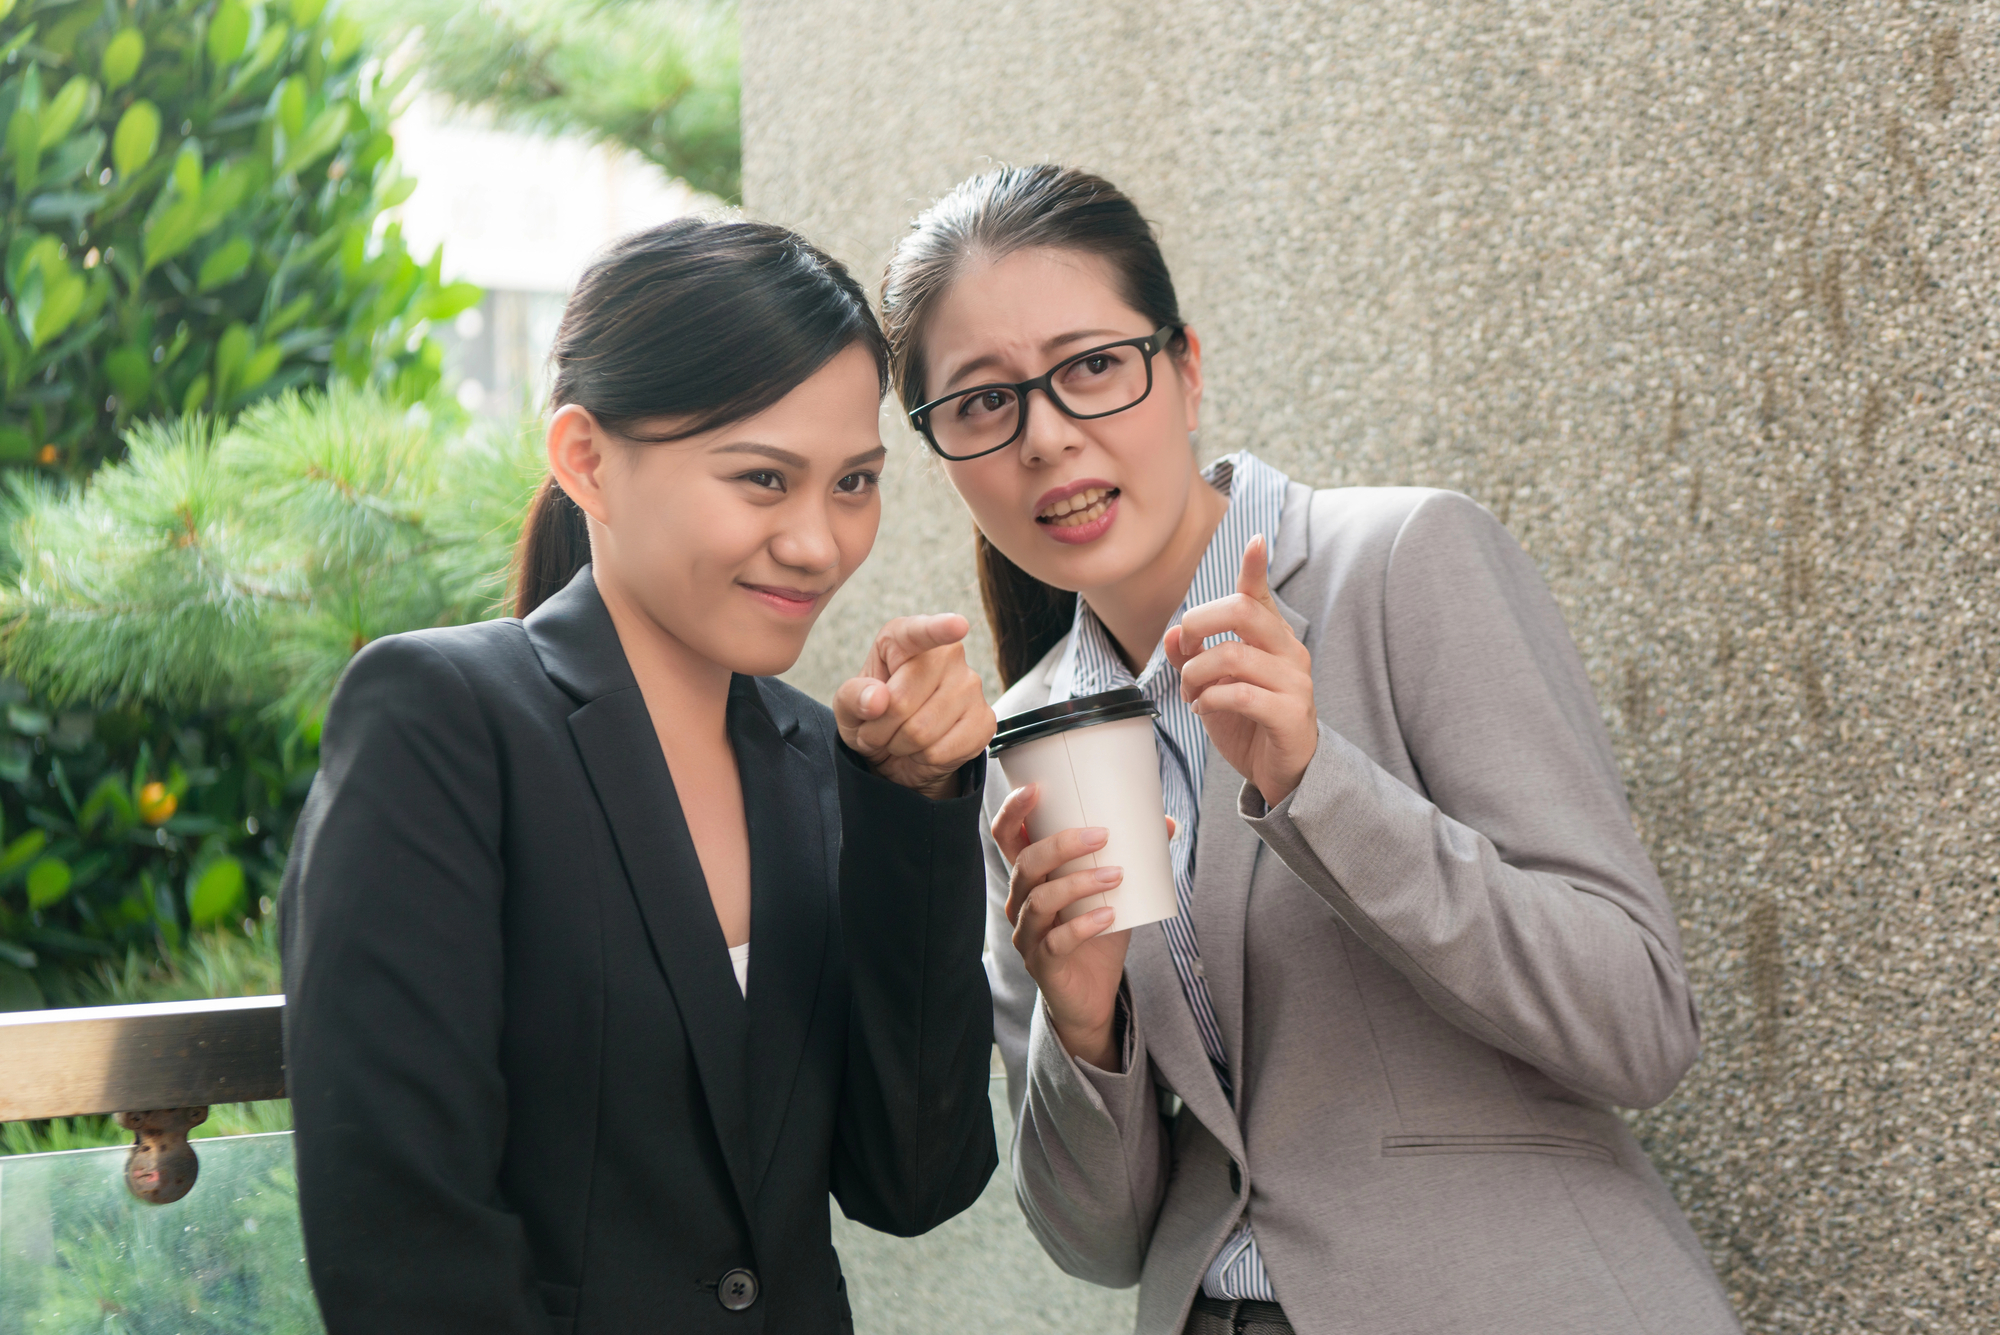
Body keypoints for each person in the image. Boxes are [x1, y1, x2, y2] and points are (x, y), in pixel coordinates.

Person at [880, 165, 1741, 1335]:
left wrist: (1317, 783)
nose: (1043, 438)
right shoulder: (1026, 739)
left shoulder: (1397, 562)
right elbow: (1092, 1242)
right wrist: (1084, 1031)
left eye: (1090, 367)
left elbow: (1636, 1026)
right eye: (982, 404)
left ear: (1184, 369)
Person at [281, 219, 1000, 1335]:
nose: (818, 542)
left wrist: (918, 812)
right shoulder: (442, 720)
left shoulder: (822, 762)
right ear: (585, 460)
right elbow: (402, 1233)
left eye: (853, 483)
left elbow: (911, 1184)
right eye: (763, 478)